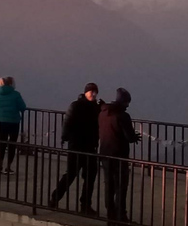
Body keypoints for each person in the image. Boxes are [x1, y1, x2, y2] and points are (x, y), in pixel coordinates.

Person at [49, 83, 101, 214]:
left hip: (89, 146)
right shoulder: (77, 105)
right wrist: (65, 136)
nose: (93, 94)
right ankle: (56, 197)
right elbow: (68, 122)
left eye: (95, 92)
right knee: (71, 174)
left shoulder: (94, 107)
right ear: (85, 92)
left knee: (89, 176)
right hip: (77, 146)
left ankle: (85, 204)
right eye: (91, 91)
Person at [99, 88, 141, 222]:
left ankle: (110, 216)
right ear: (124, 102)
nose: (128, 105)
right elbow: (129, 136)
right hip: (119, 155)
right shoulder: (122, 116)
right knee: (121, 187)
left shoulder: (103, 113)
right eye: (127, 102)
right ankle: (121, 216)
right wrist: (135, 137)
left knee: (109, 185)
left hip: (105, 154)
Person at [0, 76, 26, 174]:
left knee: (2, 143)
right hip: (14, 121)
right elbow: (22, 107)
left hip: (3, 120)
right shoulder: (16, 94)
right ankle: (8, 167)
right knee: (12, 143)